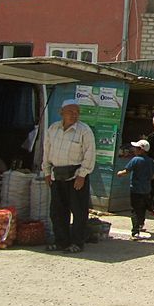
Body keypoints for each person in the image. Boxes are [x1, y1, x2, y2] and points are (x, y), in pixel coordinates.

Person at [42, 99, 96, 253]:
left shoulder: (84, 131)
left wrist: (82, 175)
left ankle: (77, 242)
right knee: (57, 211)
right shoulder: (53, 129)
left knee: (79, 211)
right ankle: (61, 242)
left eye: (77, 112)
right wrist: (46, 172)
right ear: (62, 113)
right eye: (70, 112)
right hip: (57, 175)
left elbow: (90, 154)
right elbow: (47, 152)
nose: (74, 115)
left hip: (76, 176)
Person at [117, 139, 154, 239]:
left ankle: (135, 232)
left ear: (141, 150)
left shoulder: (136, 160)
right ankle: (140, 225)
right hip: (146, 189)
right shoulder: (151, 161)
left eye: (136, 148)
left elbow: (126, 171)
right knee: (142, 209)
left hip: (135, 189)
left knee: (135, 210)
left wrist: (119, 173)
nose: (134, 149)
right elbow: (153, 176)